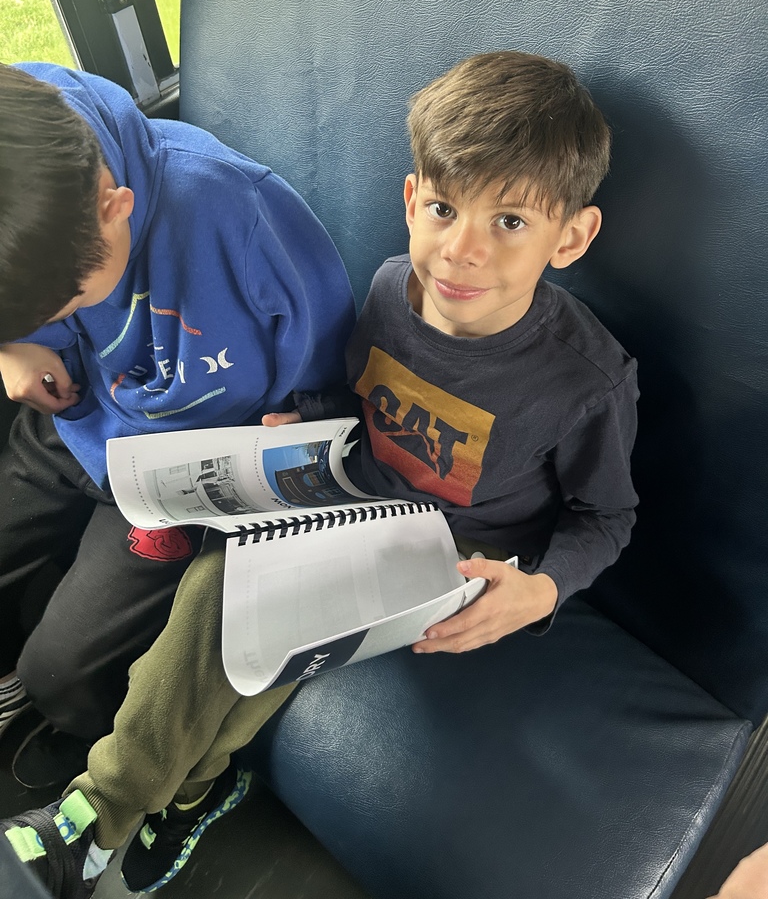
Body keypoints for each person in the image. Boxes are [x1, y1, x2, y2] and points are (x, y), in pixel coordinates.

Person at [0, 50, 639, 897]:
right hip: (353, 507)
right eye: (444, 208)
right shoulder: (385, 294)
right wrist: (300, 430)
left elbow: (607, 518)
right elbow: (349, 401)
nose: (461, 251)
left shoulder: (586, 380)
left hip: (452, 556)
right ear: (412, 201)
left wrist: (544, 590)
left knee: (233, 617)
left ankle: (92, 818)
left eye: (510, 223)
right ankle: (189, 793)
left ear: (572, 237)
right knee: (234, 607)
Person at [0, 63, 356, 789]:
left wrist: (309, 424)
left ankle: (168, 771)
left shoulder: (234, 212)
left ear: (114, 204)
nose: (62, 315)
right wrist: (16, 347)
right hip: (80, 416)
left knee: (60, 675)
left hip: (187, 460)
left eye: (70, 301)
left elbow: (339, 359)